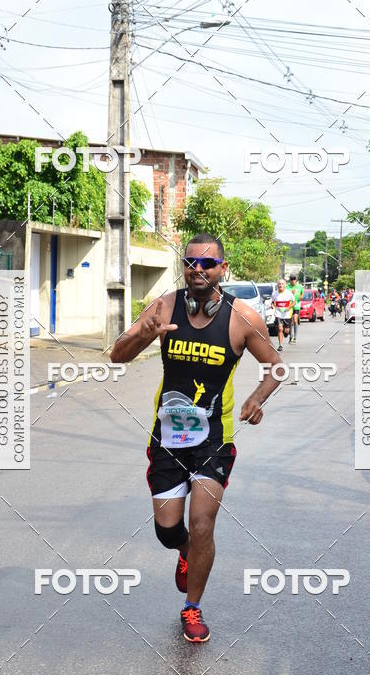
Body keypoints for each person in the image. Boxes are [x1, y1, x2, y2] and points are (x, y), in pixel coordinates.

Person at [110, 233, 280, 643]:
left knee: (202, 524)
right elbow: (117, 355)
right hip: (167, 440)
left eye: (207, 264)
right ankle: (184, 551)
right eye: (191, 263)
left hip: (213, 443)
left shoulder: (242, 320)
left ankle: (192, 607)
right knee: (168, 531)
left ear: (223, 269)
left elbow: (274, 365)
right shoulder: (164, 307)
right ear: (183, 266)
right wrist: (144, 334)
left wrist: (257, 399)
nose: (197, 270)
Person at [273, 279, 293, 351]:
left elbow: (293, 302)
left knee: (286, 331)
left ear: (285, 285)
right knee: (280, 328)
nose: (280, 285)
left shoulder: (289, 293)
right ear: (277, 285)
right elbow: (272, 302)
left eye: (282, 284)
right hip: (278, 314)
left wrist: (289, 307)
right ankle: (280, 345)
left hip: (287, 315)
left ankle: (287, 333)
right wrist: (273, 306)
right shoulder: (274, 293)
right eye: (279, 284)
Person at [286, 274, 304, 343]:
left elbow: (302, 294)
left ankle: (295, 337)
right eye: (291, 279)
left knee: (295, 320)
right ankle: (291, 336)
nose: (293, 281)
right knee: (290, 322)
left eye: (294, 279)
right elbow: (285, 295)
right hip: (289, 306)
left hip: (296, 305)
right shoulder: (287, 287)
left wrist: (301, 297)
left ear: (296, 280)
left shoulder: (300, 286)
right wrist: (291, 293)